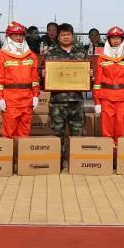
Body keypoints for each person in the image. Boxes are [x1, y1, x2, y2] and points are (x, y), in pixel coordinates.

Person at [45, 23, 89, 168]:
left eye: (68, 34)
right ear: (58, 37)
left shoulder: (81, 52)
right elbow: (42, 74)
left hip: (76, 101)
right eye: (62, 35)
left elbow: (89, 75)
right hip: (57, 101)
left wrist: (89, 74)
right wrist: (43, 74)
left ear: (72, 36)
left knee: (77, 134)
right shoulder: (51, 53)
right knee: (57, 134)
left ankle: (76, 163)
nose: (65, 37)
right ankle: (57, 163)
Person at [0, 22, 40, 138]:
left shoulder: (31, 56)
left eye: (21, 35)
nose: (19, 38)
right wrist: (0, 98)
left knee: (24, 134)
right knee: (9, 134)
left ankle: (22, 151)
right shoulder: (1, 56)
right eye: (15, 35)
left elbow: (34, 79)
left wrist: (35, 95)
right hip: (10, 100)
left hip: (27, 99)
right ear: (9, 36)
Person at [92, 26, 124, 145]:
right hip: (106, 98)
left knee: (121, 127)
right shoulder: (102, 58)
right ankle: (108, 153)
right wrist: (97, 101)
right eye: (113, 38)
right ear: (108, 40)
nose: (115, 40)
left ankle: (119, 153)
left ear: (122, 39)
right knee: (107, 128)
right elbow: (97, 82)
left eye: (118, 38)